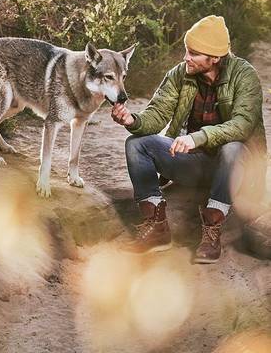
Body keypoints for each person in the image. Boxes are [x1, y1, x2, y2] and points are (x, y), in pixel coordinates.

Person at [111, 15, 267, 263]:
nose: (186, 58)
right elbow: (158, 112)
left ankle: (212, 229)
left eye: (194, 53)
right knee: (137, 143)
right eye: (187, 51)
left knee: (233, 147)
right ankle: (157, 228)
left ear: (214, 57)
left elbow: (242, 125)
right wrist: (133, 120)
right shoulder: (179, 74)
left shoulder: (244, 75)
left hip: (238, 169)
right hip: (198, 165)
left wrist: (199, 137)